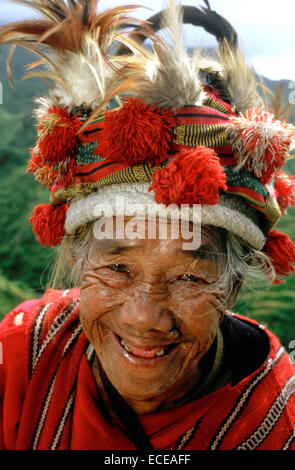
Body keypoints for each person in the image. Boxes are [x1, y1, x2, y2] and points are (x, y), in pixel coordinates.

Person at [0, 0, 294, 451]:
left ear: (232, 289)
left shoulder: (280, 428)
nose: (143, 316)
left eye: (189, 277)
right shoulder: (22, 355)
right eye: (118, 269)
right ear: (79, 262)